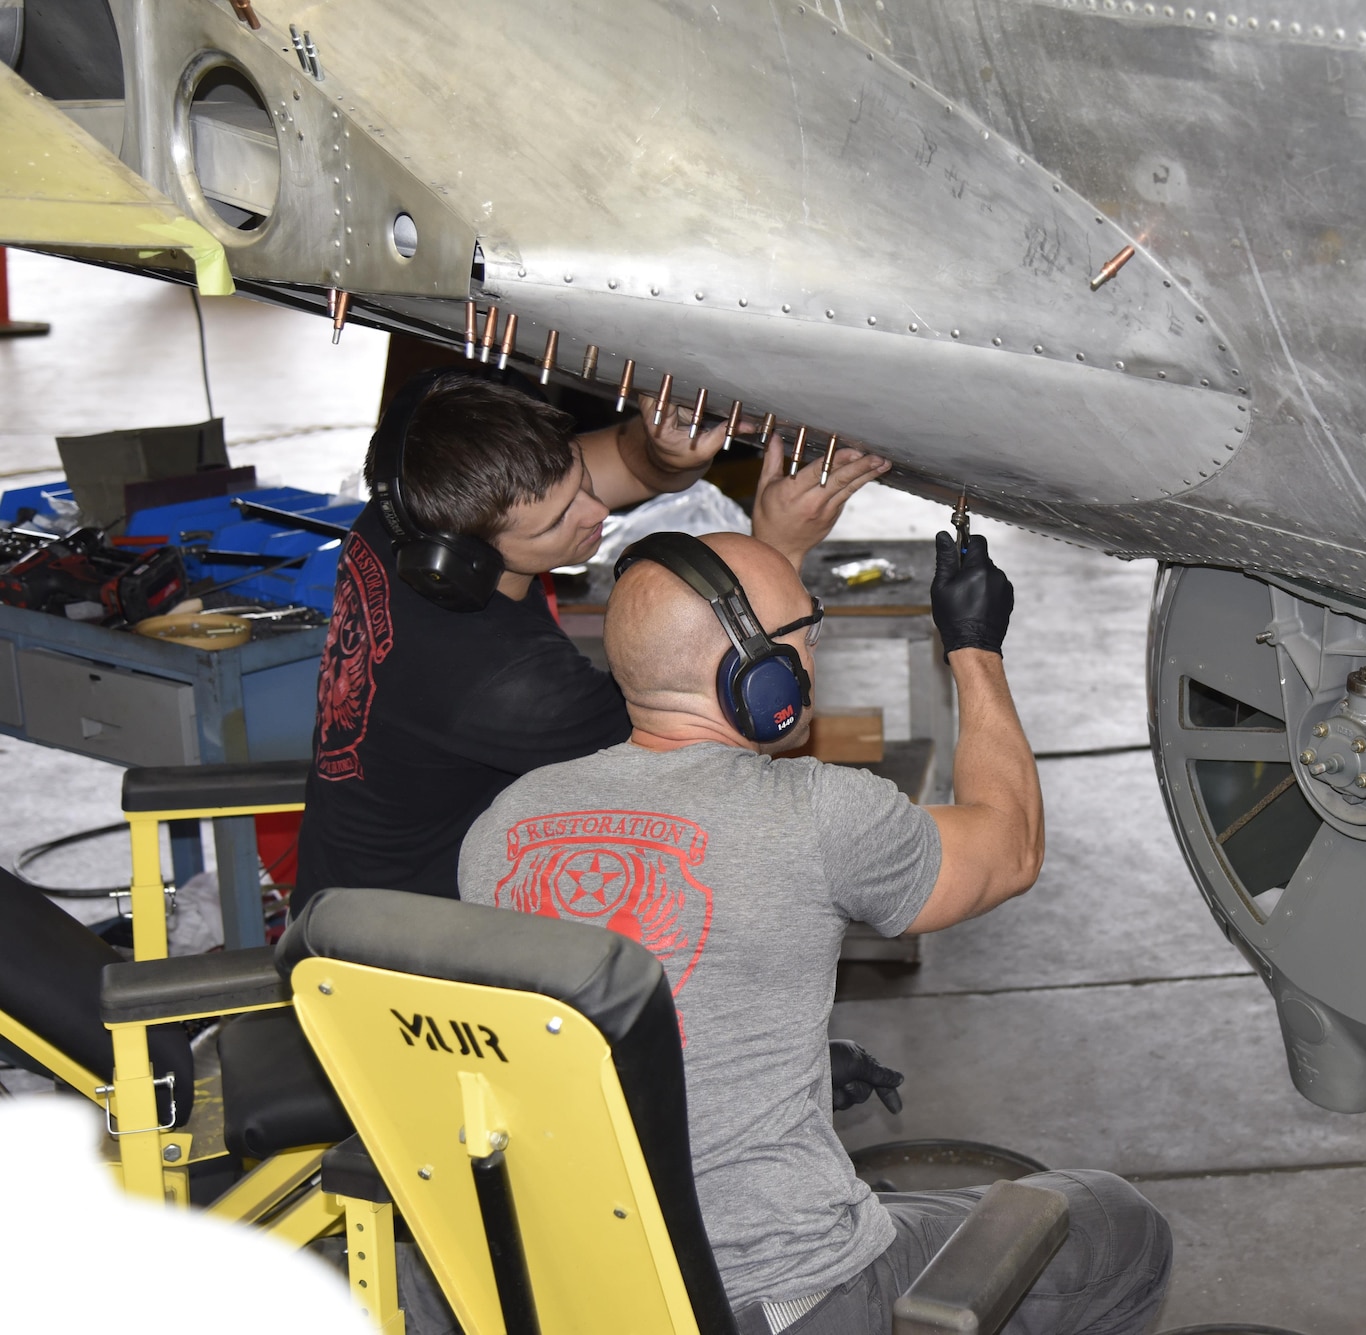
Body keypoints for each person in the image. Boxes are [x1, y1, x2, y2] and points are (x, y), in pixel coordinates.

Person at [457, 529, 1172, 1335]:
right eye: (807, 632)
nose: (814, 654)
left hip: (574, 1293)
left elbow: (573, 1026)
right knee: (1116, 1222)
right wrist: (974, 648)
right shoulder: (816, 810)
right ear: (756, 673)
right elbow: (1009, 847)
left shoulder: (505, 824)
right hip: (788, 1298)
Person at [293, 370, 889, 910]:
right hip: (412, 954)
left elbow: (627, 465)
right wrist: (777, 553)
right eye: (558, 521)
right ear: (466, 559)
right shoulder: (512, 687)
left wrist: (658, 451)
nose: (597, 508)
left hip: (351, 889)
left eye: (579, 478)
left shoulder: (418, 510)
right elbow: (720, 750)